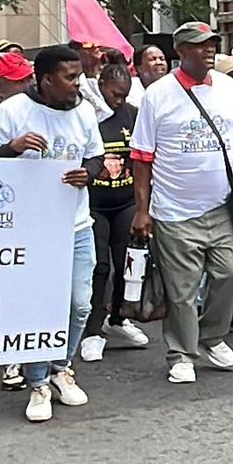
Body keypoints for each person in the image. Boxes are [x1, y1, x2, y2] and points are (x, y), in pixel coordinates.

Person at [0, 47, 104, 420]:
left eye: (79, 76)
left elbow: (95, 156)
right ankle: (37, 383)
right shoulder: (14, 111)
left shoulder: (84, 111)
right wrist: (12, 148)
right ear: (46, 80)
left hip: (76, 224)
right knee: (38, 306)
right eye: (70, 77)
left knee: (80, 304)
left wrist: (88, 173)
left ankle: (60, 367)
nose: (78, 83)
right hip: (29, 230)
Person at [128, 22, 233, 385]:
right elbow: (141, 158)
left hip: (223, 206)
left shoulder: (228, 88)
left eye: (212, 44)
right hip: (175, 210)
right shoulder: (157, 95)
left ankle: (212, 336)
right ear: (180, 51)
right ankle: (181, 353)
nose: (209, 50)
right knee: (182, 289)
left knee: (230, 273)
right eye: (199, 45)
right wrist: (142, 210)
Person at [78, 64, 150, 362]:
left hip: (125, 202)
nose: (118, 101)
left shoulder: (133, 115)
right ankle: (93, 331)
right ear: (101, 84)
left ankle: (118, 318)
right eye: (114, 94)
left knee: (126, 265)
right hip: (94, 204)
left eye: (124, 95)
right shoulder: (87, 114)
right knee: (100, 267)